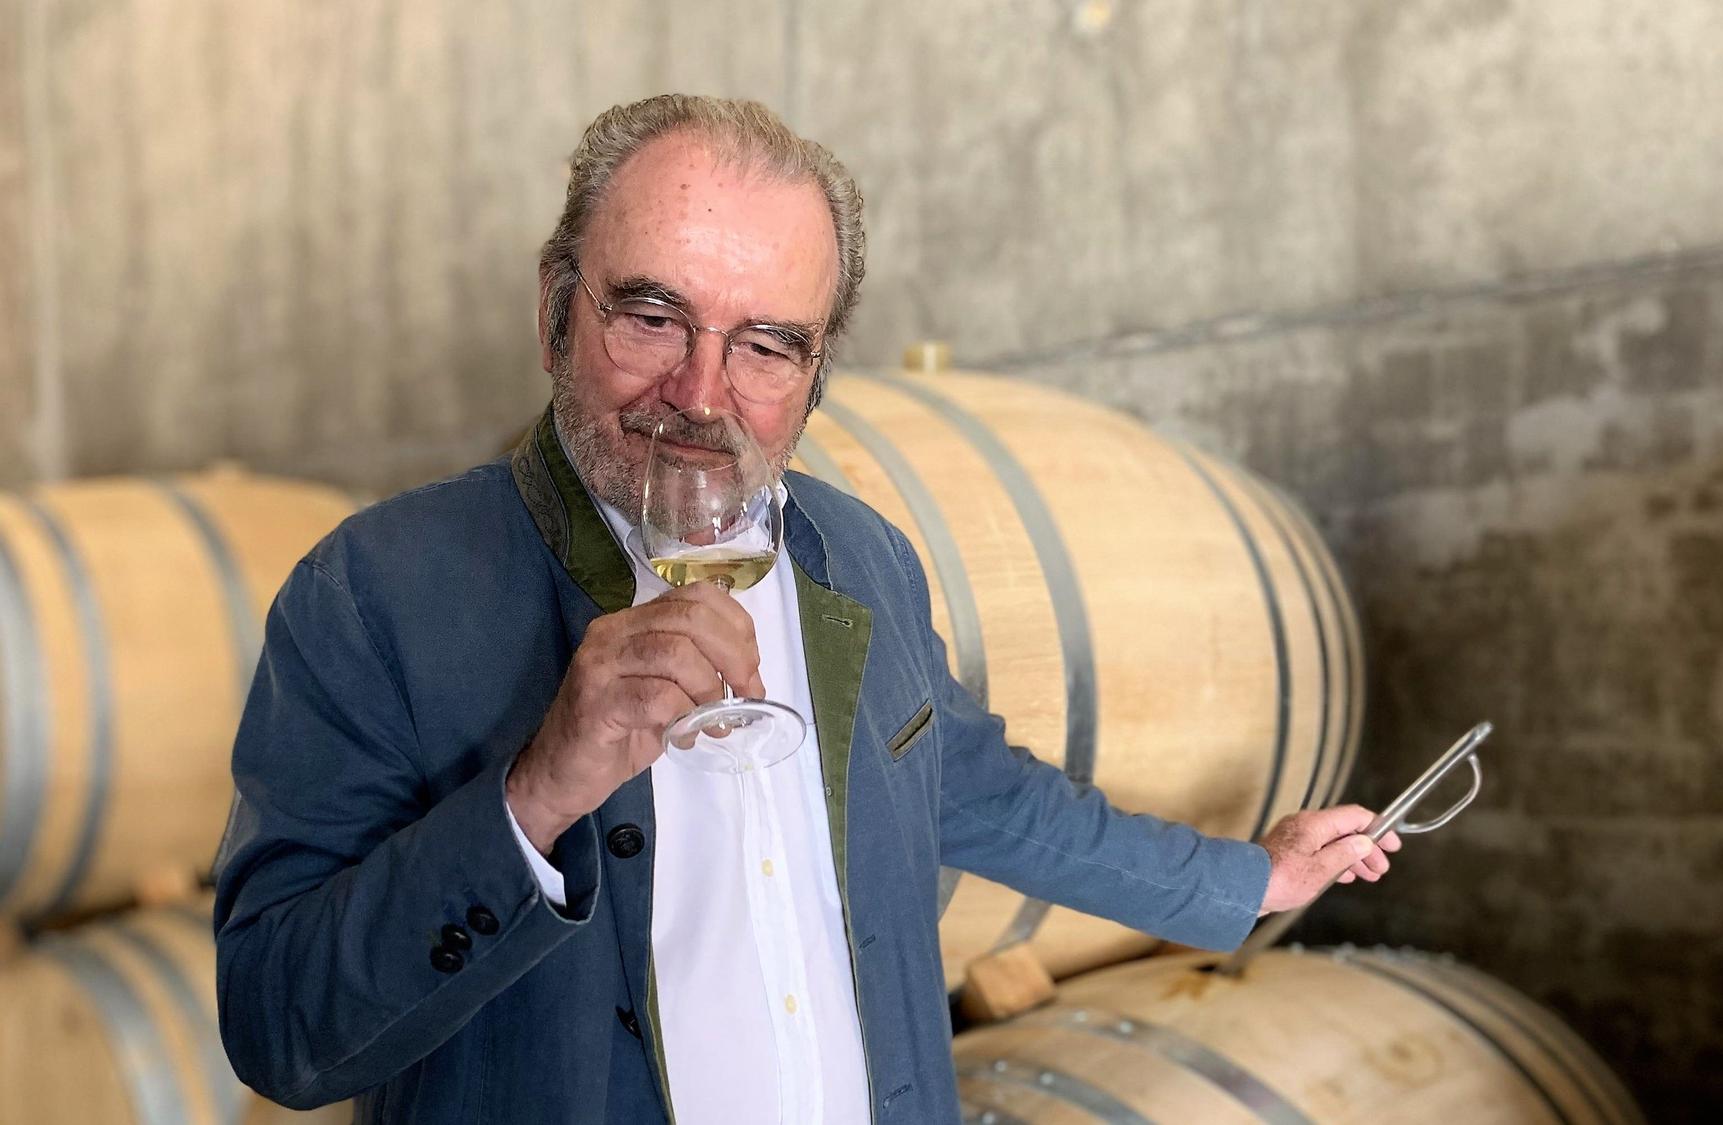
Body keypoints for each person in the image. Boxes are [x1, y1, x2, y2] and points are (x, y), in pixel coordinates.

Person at [213, 93, 1399, 1125]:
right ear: (552, 309)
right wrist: (539, 793)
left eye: (767, 345)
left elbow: (977, 791)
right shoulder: (373, 588)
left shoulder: (860, 558)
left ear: (816, 371)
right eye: (649, 314)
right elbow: (279, 1029)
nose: (699, 392)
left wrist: (1248, 883)